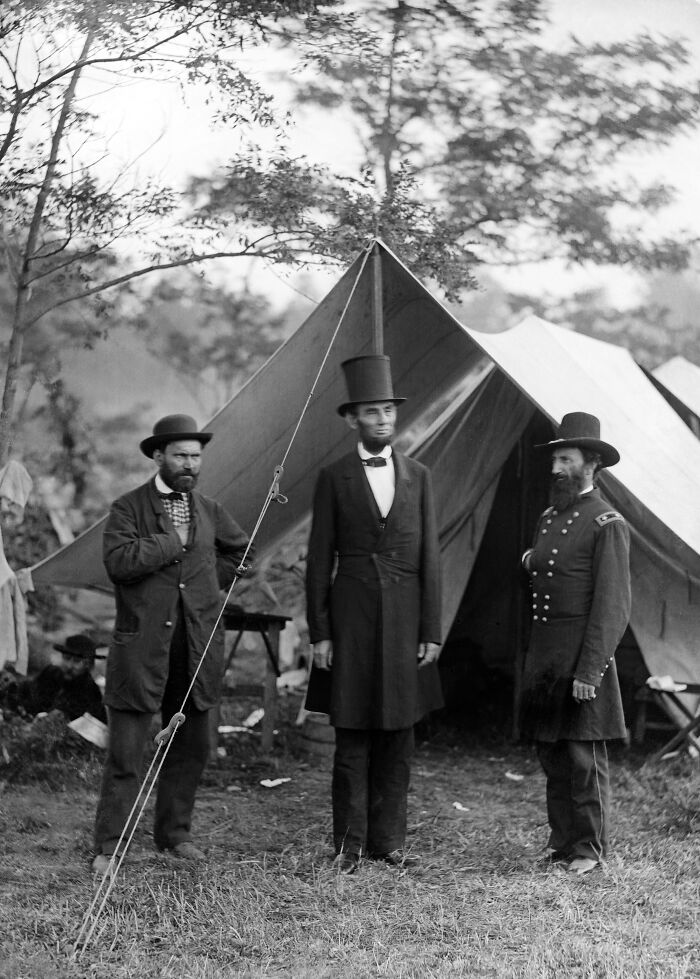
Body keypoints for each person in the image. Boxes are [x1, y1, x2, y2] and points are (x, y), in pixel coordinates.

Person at [92, 414, 251, 874]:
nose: (189, 464)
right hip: (141, 648)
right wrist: (170, 543)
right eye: (180, 455)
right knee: (127, 749)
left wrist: (206, 583)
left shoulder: (210, 508)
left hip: (196, 646)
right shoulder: (128, 508)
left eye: (195, 456)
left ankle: (174, 834)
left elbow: (241, 551)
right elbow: (118, 563)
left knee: (192, 745)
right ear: (158, 455)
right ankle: (110, 845)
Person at [305, 355, 443, 874]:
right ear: (352, 419)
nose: (383, 420)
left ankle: (390, 842)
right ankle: (349, 845)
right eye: (372, 412)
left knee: (399, 738)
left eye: (388, 410)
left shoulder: (420, 476)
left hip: (407, 622)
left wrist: (431, 629)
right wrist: (321, 632)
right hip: (352, 620)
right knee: (353, 737)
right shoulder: (334, 477)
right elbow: (319, 560)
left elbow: (431, 556)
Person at [520, 412, 631, 876]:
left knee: (584, 756)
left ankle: (590, 848)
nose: (556, 468)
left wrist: (590, 670)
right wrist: (529, 558)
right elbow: (544, 566)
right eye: (555, 459)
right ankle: (562, 840)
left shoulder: (608, 523)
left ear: (592, 465)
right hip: (546, 654)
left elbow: (613, 606)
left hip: (582, 652)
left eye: (566, 459)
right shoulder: (549, 517)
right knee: (552, 752)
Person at [16, 633, 106, 722]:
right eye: (67, 658)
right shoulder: (50, 673)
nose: (69, 666)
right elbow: (28, 694)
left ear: (88, 665)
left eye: (77, 661)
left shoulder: (91, 692)